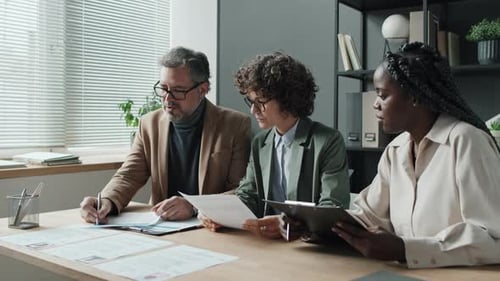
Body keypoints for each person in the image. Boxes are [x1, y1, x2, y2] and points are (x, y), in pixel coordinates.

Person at [333, 42, 500, 268]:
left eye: (383, 95)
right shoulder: (396, 149)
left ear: (414, 97)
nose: (375, 104)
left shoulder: (466, 141)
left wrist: (405, 249)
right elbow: (368, 215)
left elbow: (492, 237)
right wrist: (313, 224)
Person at [80, 46, 251, 223]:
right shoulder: (149, 124)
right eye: (163, 88)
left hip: (209, 227)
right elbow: (129, 175)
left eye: (178, 90)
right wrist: (106, 200)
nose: (168, 99)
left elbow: (241, 192)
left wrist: (193, 206)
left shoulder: (235, 126)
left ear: (203, 89)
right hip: (160, 225)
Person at [201, 52, 350, 240]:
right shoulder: (260, 142)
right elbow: (249, 194)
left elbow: (331, 209)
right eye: (251, 101)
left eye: (260, 102)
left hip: (310, 245)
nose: (253, 110)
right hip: (265, 243)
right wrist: (220, 213)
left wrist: (289, 224)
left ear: (287, 98)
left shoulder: (327, 141)